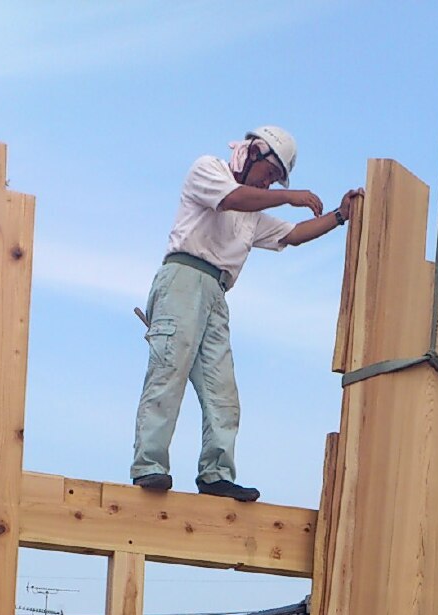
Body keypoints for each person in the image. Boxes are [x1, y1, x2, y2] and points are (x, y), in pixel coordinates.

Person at [131, 126, 363, 502]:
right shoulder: (209, 170)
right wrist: (290, 196)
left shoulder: (254, 211)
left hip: (217, 292)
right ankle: (149, 466)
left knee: (222, 391)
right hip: (183, 278)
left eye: (276, 180)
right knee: (168, 372)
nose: (270, 184)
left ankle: (216, 474)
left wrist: (340, 215)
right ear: (253, 152)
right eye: (269, 174)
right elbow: (232, 199)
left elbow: (292, 234)